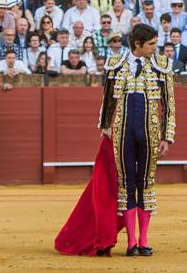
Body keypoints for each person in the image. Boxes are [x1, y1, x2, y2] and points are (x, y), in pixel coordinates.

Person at [57, 24, 176, 257]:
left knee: (146, 184)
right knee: (126, 186)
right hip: (122, 133)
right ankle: (131, 242)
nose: (155, 48)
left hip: (150, 134)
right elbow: (108, 100)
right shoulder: (115, 64)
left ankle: (144, 239)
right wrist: (104, 127)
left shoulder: (162, 66)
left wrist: (167, 137)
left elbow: (169, 104)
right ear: (137, 45)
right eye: (151, 44)